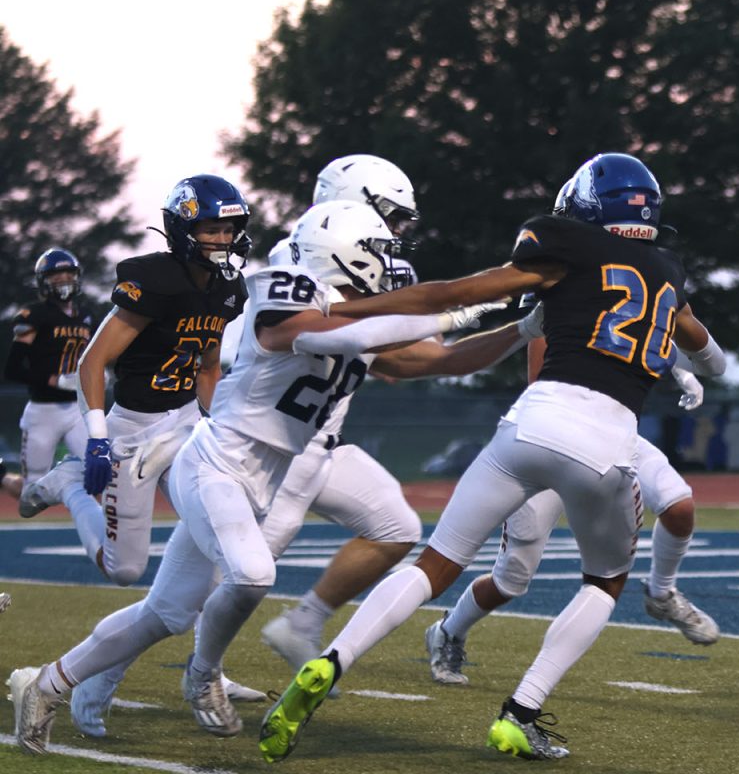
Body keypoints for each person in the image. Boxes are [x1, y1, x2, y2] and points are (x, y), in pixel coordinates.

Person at [258, 152, 720, 763]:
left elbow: (450, 294)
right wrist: (696, 369)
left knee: (435, 563)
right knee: (605, 581)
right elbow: (707, 350)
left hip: (530, 423)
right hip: (606, 440)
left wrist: (343, 313)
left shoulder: (562, 243)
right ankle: (520, 712)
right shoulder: (669, 270)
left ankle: (331, 659)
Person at [6, 198, 505, 754]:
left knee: (166, 612)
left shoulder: (353, 319)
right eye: (378, 250)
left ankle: (47, 683)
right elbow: (328, 335)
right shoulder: (283, 289)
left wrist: (522, 327)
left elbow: (444, 360)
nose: (385, 263)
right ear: (346, 251)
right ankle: (202, 673)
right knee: (250, 573)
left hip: (263, 477)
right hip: (215, 463)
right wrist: (454, 307)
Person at [424, 315, 724, 686]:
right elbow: (546, 381)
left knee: (678, 504)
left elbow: (646, 339)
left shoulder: (624, 297)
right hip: (549, 439)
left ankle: (661, 592)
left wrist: (682, 369)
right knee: (511, 579)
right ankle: (448, 630)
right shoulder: (561, 308)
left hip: (613, 441)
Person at [18, 176, 250, 594]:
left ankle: (200, 646)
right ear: (183, 230)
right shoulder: (155, 278)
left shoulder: (229, 287)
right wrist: (97, 440)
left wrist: (217, 428)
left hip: (184, 424)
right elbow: (92, 363)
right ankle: (71, 486)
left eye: (228, 230)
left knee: (218, 523)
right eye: (211, 229)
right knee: (123, 570)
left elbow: (208, 368)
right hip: (133, 429)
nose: (223, 239)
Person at [3, 249, 94, 505]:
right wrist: (52, 380)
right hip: (43, 410)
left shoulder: (87, 316)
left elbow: (94, 357)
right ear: (44, 280)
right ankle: (2, 477)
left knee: (97, 469)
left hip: (78, 408)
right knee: (30, 492)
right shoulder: (33, 315)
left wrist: (100, 373)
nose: (63, 279)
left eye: (68, 273)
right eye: (56, 275)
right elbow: (12, 368)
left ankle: (67, 482)